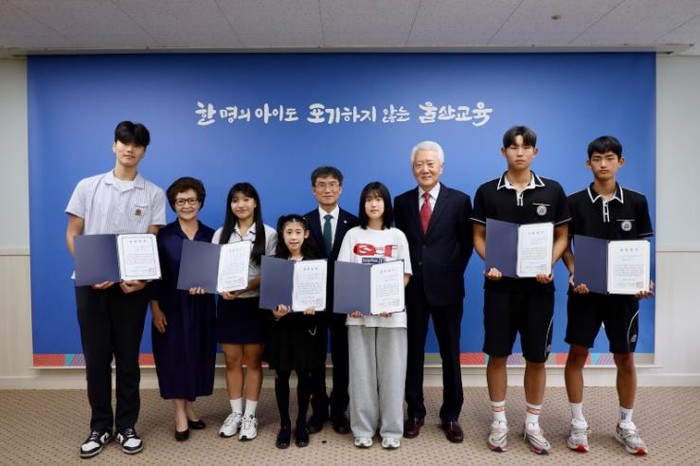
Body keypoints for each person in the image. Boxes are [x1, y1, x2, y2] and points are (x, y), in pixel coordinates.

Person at [65, 121, 166, 458]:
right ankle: (99, 426)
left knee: (127, 359)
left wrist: (143, 280)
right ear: (114, 146)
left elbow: (151, 241)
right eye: (124, 142)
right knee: (96, 360)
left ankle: (126, 426)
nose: (129, 149)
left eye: (136, 144)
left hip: (131, 289)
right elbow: (73, 233)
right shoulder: (88, 186)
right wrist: (91, 270)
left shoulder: (153, 193)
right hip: (91, 285)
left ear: (144, 151)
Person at [471, 125, 570, 455]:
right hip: (499, 286)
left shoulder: (552, 190)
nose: (519, 152)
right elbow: (478, 236)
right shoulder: (487, 191)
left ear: (535, 152)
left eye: (526, 147)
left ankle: (532, 423)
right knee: (497, 354)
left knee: (536, 357)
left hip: (539, 288)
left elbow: (562, 237)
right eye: (513, 147)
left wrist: (549, 264)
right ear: (504, 152)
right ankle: (499, 421)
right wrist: (490, 262)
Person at [562, 136, 653, 455]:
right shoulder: (573, 202)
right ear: (588, 163)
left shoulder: (637, 201)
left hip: (624, 295)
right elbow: (565, 247)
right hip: (584, 291)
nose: (603, 164)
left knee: (625, 357)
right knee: (577, 354)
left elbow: (641, 247)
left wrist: (643, 279)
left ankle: (625, 424)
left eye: (610, 158)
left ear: (620, 162)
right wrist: (573, 270)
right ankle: (577, 423)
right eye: (597, 159)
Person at [394, 141, 473, 443]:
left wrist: (449, 271)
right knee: (412, 353)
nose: (425, 169)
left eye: (430, 164)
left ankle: (451, 415)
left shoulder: (460, 200)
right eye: (419, 164)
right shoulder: (401, 202)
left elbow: (466, 244)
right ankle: (415, 412)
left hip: (448, 289)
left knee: (450, 353)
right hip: (411, 290)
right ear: (412, 168)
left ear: (441, 167)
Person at [338, 182, 412, 449]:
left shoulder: (397, 236)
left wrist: (388, 300)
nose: (373, 203)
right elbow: (345, 273)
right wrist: (355, 301)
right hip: (358, 315)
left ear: (385, 204)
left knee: (393, 374)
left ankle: (392, 430)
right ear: (363, 204)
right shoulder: (353, 235)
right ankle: (363, 429)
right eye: (368, 199)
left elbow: (405, 275)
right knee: (361, 374)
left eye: (378, 199)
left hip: (392, 315)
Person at [149, 177, 216, 442]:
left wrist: (209, 286)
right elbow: (153, 275)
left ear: (200, 202)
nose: (186, 206)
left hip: (201, 306)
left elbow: (218, 273)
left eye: (191, 200)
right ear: (173, 204)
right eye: (180, 201)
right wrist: (155, 308)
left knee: (196, 355)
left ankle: (189, 407)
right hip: (170, 306)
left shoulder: (212, 235)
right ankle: (179, 413)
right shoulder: (163, 236)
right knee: (175, 358)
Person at [215, 182, 277, 441]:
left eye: (246, 199)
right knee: (231, 360)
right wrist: (221, 288)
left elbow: (270, 272)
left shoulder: (269, 234)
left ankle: (250, 415)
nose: (240, 204)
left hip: (254, 304)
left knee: (252, 360)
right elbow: (214, 270)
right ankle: (236, 413)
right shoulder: (221, 234)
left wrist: (243, 288)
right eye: (235, 200)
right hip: (229, 304)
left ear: (255, 203)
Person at [304, 167, 360, 434]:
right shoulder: (302, 222)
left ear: (341, 188)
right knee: (314, 357)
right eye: (321, 184)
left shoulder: (355, 223)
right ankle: (318, 410)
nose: (327, 189)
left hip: (344, 299)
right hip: (312, 302)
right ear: (313, 189)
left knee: (342, 357)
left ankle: (339, 410)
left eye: (332, 184)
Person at [265, 214, 326, 449]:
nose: (293, 237)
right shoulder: (275, 264)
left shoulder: (315, 264)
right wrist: (275, 314)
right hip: (281, 330)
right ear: (282, 235)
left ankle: (301, 422)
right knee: (281, 376)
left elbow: (324, 301)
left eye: (298, 232)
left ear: (306, 235)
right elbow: (267, 302)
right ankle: (284, 424)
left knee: (304, 376)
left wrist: (314, 310)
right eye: (289, 232)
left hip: (304, 330)